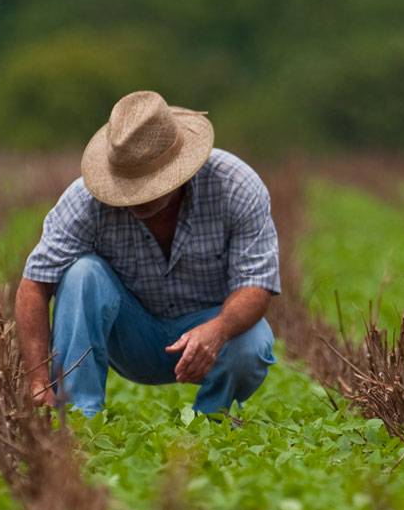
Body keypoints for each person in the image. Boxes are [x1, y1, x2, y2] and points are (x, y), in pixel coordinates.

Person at [16, 90, 280, 416]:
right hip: (131, 337)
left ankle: (212, 420)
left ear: (179, 168)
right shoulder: (84, 201)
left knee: (252, 342)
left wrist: (219, 329)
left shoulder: (235, 186)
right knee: (82, 273)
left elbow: (256, 284)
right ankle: (78, 417)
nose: (138, 197)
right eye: (129, 184)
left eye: (149, 183)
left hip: (209, 328)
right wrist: (38, 381)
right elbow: (34, 284)